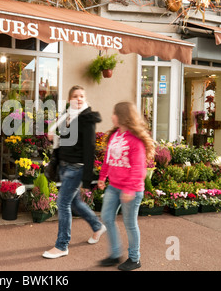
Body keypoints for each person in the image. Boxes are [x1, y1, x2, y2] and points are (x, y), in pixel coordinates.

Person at [42, 85, 106, 259]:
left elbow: (89, 148)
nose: (79, 99)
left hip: (76, 168)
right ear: (70, 99)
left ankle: (62, 245)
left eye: (82, 96)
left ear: (85, 99)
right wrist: (55, 137)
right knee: (75, 202)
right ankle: (97, 226)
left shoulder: (87, 119)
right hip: (64, 165)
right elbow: (69, 141)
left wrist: (87, 178)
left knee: (62, 204)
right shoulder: (68, 116)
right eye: (75, 96)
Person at [97, 102, 155, 271]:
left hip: (132, 189)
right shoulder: (115, 135)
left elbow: (139, 169)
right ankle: (115, 254)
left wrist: (129, 189)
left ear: (122, 116)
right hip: (114, 187)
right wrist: (102, 177)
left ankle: (135, 259)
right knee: (107, 217)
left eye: (114, 113)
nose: (112, 116)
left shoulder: (135, 141)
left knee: (130, 224)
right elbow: (108, 159)